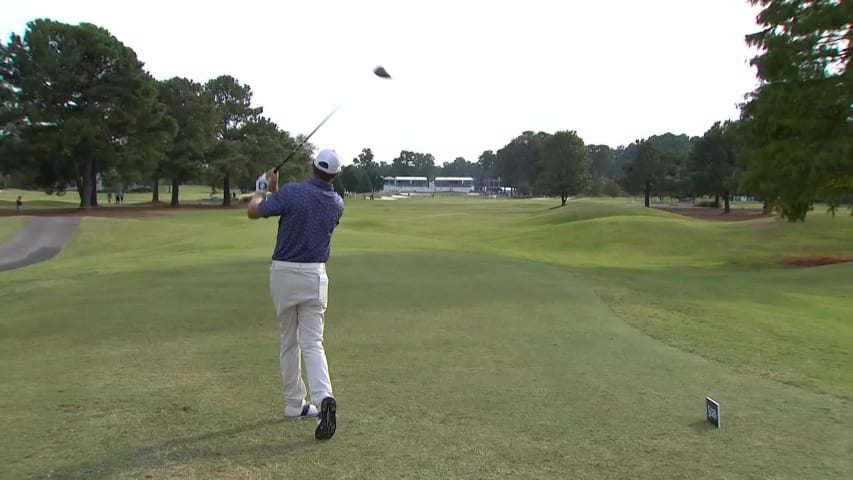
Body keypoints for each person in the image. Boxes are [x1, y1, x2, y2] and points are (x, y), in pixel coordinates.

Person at [247, 149, 344, 440]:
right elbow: (298, 206)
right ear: (335, 175)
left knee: (289, 341)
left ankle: (293, 404)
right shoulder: (336, 203)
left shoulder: (293, 192)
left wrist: (260, 190)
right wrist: (276, 190)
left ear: (312, 166)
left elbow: (255, 211)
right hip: (315, 276)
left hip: (284, 274)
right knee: (312, 342)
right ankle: (323, 396)